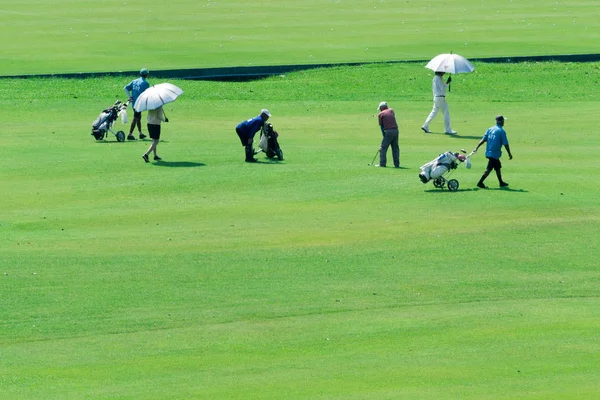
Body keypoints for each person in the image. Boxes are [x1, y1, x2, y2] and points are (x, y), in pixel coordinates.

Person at [473, 115, 513, 188]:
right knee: (488, 169)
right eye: (503, 121)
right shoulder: (501, 131)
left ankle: (501, 182)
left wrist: (476, 147)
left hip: (489, 152)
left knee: (497, 167)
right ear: (501, 122)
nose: (504, 122)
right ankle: (480, 182)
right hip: (494, 154)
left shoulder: (490, 129)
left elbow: (483, 139)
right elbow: (506, 144)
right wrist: (509, 154)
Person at [124, 68, 151, 140]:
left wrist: (129, 97)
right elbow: (147, 94)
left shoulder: (134, 81)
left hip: (134, 103)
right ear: (146, 75)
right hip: (139, 103)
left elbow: (125, 88)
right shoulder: (145, 83)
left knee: (139, 117)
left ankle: (140, 133)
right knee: (136, 117)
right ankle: (130, 134)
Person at [376, 101, 400, 168]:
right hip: (396, 131)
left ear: (382, 107)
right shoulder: (391, 110)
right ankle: (397, 164)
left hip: (388, 132)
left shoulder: (380, 114)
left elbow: (381, 127)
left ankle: (382, 164)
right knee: (395, 148)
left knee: (383, 148)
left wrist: (384, 135)